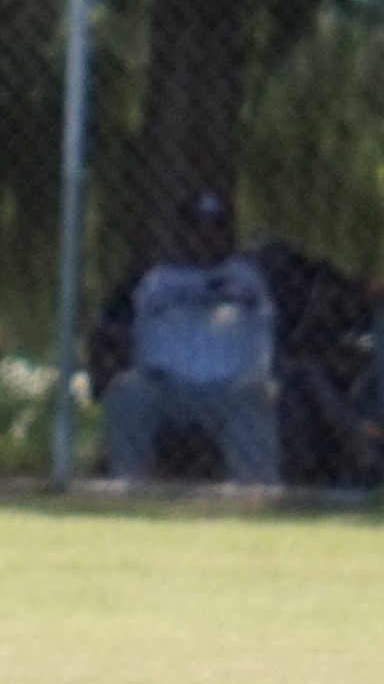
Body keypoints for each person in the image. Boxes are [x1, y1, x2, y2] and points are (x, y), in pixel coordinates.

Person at [100, 187, 282, 483]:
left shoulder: (252, 276)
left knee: (255, 397)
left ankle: (255, 496)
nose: (206, 235)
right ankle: (127, 488)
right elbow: (107, 332)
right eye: (197, 226)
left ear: (229, 234)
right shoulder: (152, 279)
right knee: (127, 390)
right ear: (182, 232)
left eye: (216, 227)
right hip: (164, 387)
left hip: (235, 389)